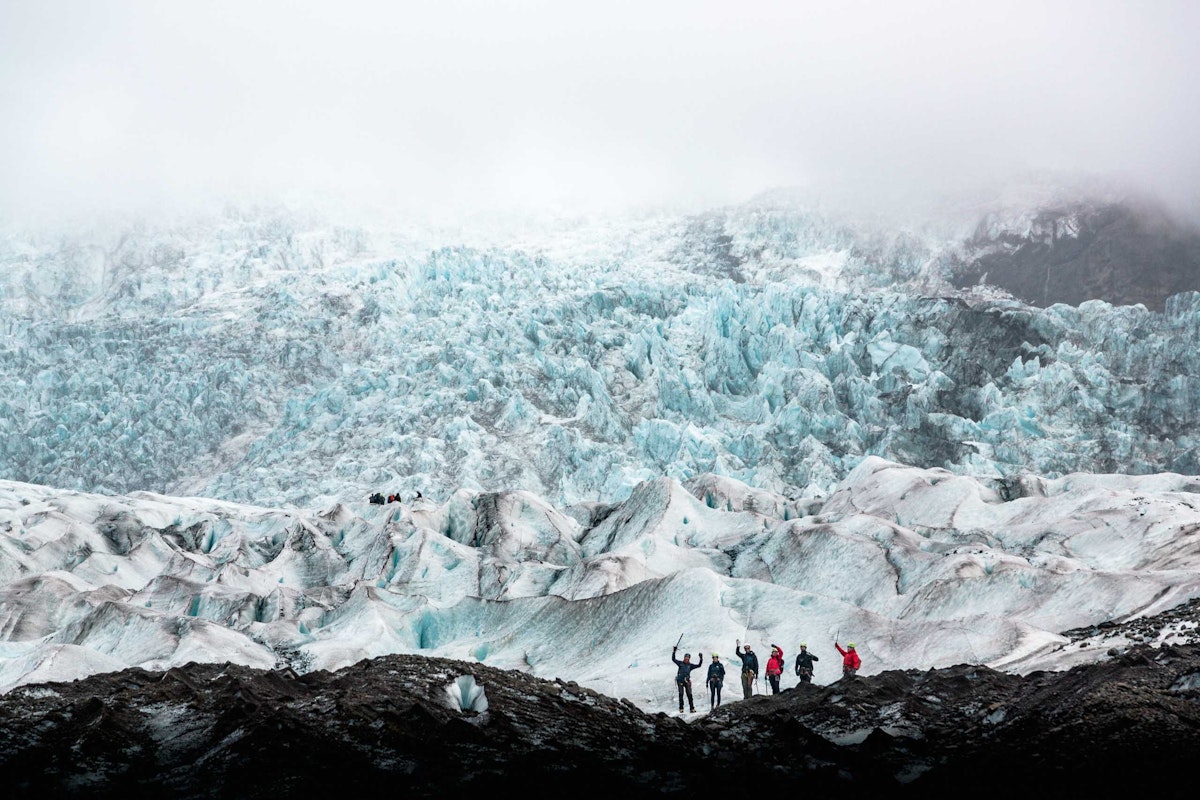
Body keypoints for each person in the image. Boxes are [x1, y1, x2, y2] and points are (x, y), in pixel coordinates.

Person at [671, 646, 703, 712]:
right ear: (684, 658)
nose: (686, 659)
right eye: (685, 657)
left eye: (687, 658)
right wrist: (674, 651)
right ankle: (681, 708)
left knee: (689, 695)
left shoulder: (690, 665)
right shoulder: (680, 663)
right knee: (681, 694)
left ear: (689, 659)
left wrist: (701, 658)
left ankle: (692, 708)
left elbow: (699, 665)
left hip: (687, 681)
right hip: (680, 681)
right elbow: (673, 659)